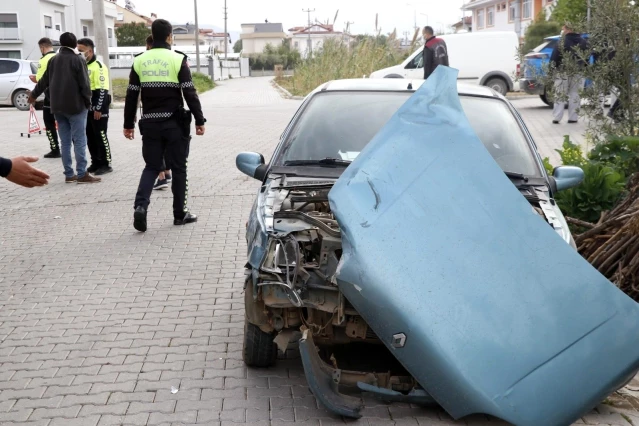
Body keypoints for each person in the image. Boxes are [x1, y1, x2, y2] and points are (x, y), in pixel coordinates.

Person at [123, 19, 206, 232]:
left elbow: (132, 95)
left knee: (151, 166)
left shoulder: (139, 60)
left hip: (149, 123)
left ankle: (140, 207)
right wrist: (199, 119)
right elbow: (189, 91)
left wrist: (128, 124)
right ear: (170, 36)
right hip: (174, 124)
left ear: (153, 34)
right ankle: (180, 214)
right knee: (179, 168)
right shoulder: (178, 59)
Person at [29, 32, 101, 184]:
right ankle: (82, 174)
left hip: (57, 107)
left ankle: (69, 174)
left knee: (65, 142)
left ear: (61, 44)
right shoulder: (78, 59)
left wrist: (34, 95)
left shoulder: (53, 60)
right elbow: (85, 84)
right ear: (75, 44)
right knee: (80, 140)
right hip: (76, 107)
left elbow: (43, 81)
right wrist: (87, 102)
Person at [77, 38, 113, 175]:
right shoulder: (83, 65)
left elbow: (102, 90)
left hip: (98, 108)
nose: (78, 53)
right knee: (90, 137)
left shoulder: (99, 66)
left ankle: (106, 163)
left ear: (90, 51)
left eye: (80, 51)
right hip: (86, 108)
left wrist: (99, 108)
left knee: (101, 135)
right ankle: (96, 162)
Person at [550, 23, 589, 124]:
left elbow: (554, 57)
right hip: (578, 72)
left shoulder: (562, 42)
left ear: (568, 29)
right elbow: (587, 58)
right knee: (575, 94)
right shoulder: (584, 42)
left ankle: (557, 117)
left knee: (560, 94)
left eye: (563, 28)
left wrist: (551, 70)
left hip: (562, 72)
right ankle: (573, 117)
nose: (562, 30)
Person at [29, 38, 60, 159]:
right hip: (63, 95)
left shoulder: (44, 60)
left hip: (50, 96)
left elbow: (42, 80)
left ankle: (55, 149)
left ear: (42, 48)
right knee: (65, 123)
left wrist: (34, 81)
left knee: (49, 122)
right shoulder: (58, 58)